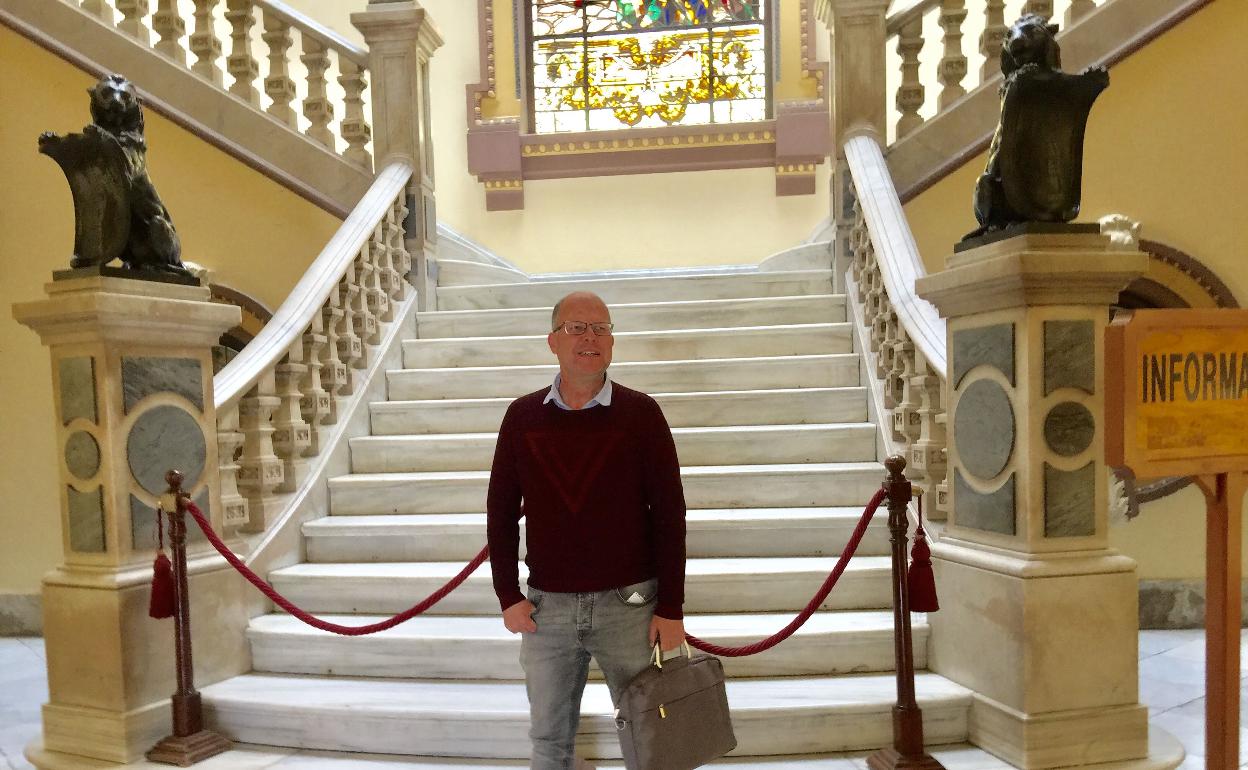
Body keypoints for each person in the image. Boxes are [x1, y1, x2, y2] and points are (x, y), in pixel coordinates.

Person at [486, 291, 687, 770]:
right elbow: (499, 510)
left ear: (612, 342)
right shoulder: (521, 417)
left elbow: (669, 514)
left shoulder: (642, 415)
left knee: (653, 746)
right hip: (546, 611)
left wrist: (672, 606)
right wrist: (506, 595)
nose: (590, 338)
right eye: (577, 328)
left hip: (631, 608)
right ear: (553, 341)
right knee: (549, 746)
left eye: (601, 328)